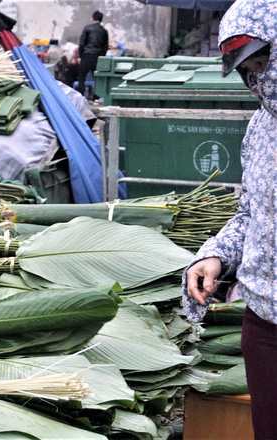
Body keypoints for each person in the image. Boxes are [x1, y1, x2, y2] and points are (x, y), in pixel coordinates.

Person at [183, 0, 276, 436]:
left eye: (263, 59)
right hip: (264, 327)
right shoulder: (260, 128)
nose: (256, 77)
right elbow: (250, 212)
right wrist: (216, 255)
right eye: (247, 66)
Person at [76, 10, 108, 98]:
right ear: (101, 20)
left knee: (82, 76)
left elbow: (82, 43)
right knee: (97, 78)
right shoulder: (104, 31)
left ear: (92, 18)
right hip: (98, 56)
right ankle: (96, 96)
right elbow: (105, 46)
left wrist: (80, 55)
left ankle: (80, 95)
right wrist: (102, 56)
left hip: (87, 54)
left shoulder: (87, 28)